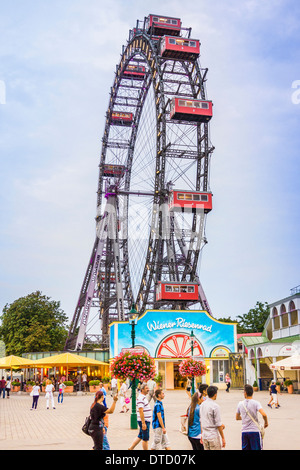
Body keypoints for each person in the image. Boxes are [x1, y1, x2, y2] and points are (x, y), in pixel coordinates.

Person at [236, 384, 268, 450]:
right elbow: (264, 414)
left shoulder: (240, 404)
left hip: (244, 432)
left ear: (245, 393)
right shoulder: (256, 403)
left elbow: (237, 417)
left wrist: (245, 417)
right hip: (255, 431)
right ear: (252, 393)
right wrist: (266, 422)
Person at [200, 385, 226, 450]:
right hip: (213, 436)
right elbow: (218, 424)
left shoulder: (202, 404)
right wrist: (223, 437)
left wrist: (202, 434)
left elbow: (201, 420)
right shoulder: (215, 406)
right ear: (215, 394)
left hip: (205, 436)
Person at [128, 383, 152, 450]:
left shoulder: (143, 397)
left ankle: (131, 448)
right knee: (145, 438)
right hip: (144, 421)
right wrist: (143, 423)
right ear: (142, 390)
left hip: (145, 420)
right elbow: (141, 411)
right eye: (146, 388)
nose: (148, 389)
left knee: (140, 435)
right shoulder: (141, 398)